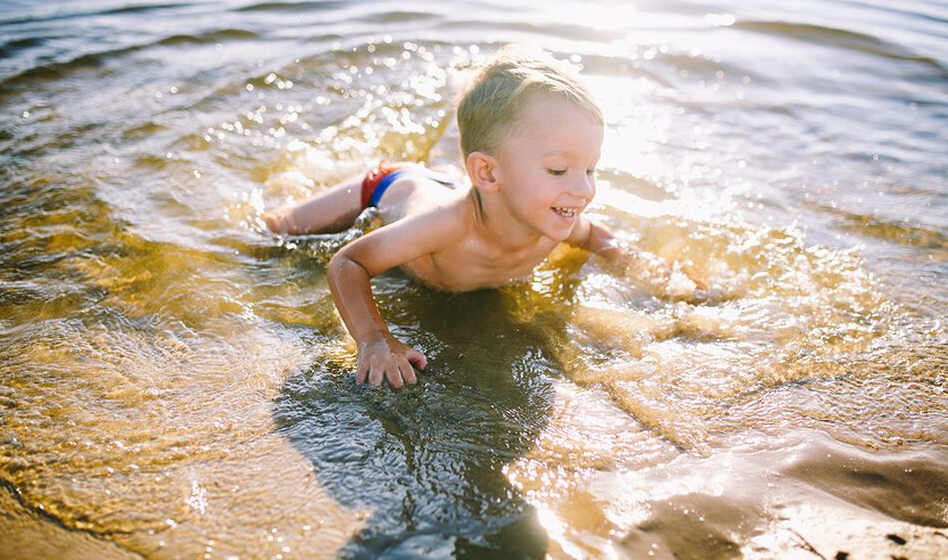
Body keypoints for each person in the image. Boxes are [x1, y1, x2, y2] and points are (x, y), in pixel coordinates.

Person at [263, 46, 699, 388]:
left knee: (450, 166)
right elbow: (349, 262)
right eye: (558, 170)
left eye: (590, 169)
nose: (583, 189)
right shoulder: (448, 226)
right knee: (273, 231)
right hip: (388, 187)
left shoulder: (551, 219)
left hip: (464, 181)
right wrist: (375, 339)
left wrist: (651, 272)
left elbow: (595, 237)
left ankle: (460, 132)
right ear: (488, 173)